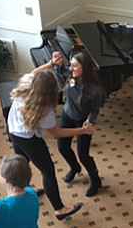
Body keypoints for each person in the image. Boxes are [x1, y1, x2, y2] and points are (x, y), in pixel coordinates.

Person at [7, 69, 93, 220]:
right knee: (47, 170)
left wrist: (50, 64)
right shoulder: (45, 109)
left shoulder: (26, 81)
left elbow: (34, 71)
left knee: (22, 164)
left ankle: (21, 195)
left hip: (13, 130)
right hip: (28, 138)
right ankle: (60, 209)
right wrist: (83, 131)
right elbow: (57, 133)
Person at [53, 50, 106, 197]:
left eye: (75, 66)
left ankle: (95, 180)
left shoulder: (94, 90)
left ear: (84, 68)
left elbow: (95, 111)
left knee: (83, 155)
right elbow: (60, 69)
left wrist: (89, 122)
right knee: (62, 147)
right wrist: (56, 62)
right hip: (67, 116)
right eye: (71, 65)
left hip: (82, 123)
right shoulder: (72, 78)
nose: (71, 68)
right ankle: (74, 167)